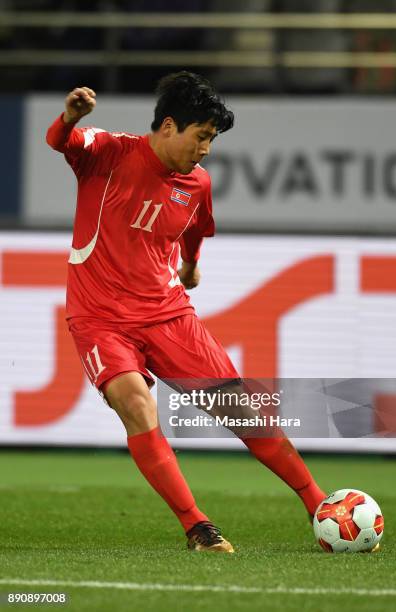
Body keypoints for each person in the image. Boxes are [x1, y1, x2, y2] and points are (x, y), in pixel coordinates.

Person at [46, 72, 326, 553]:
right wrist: (70, 115)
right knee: (135, 403)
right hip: (100, 318)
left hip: (168, 314)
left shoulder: (196, 183)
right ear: (170, 126)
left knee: (243, 412)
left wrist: (192, 266)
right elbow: (61, 139)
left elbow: (196, 228)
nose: (206, 149)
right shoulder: (109, 152)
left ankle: (320, 505)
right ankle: (198, 527)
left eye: (212, 140)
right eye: (202, 136)